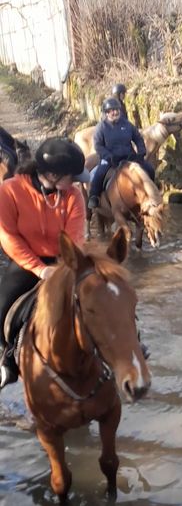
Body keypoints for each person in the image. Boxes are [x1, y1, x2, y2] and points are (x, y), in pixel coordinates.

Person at [0, 137, 90, 388]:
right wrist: (40, 269)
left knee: (102, 293)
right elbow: (8, 238)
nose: (75, 183)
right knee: (2, 303)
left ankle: (127, 346)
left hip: (64, 260)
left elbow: (75, 238)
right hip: (26, 262)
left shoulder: (73, 196)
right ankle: (5, 358)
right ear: (52, 174)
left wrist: (65, 268)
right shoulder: (9, 191)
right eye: (71, 177)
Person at [87, 97, 154, 211]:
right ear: (106, 113)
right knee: (98, 174)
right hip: (110, 159)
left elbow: (138, 138)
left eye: (116, 110)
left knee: (149, 169)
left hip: (129, 157)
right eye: (111, 110)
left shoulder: (127, 124)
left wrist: (141, 151)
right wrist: (108, 156)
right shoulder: (101, 127)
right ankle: (94, 197)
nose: (115, 112)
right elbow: (98, 145)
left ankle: (152, 193)